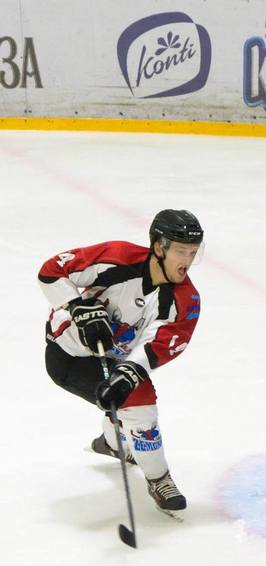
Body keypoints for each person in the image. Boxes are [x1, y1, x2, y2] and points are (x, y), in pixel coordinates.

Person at [39, 210, 204, 514]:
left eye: (193, 252)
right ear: (159, 247)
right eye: (181, 251)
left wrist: (128, 374)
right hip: (68, 354)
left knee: (126, 391)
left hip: (113, 357)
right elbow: (52, 270)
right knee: (137, 398)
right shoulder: (117, 257)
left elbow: (158, 346)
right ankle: (158, 477)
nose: (188, 260)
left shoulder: (185, 300)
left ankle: (112, 442)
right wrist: (77, 306)